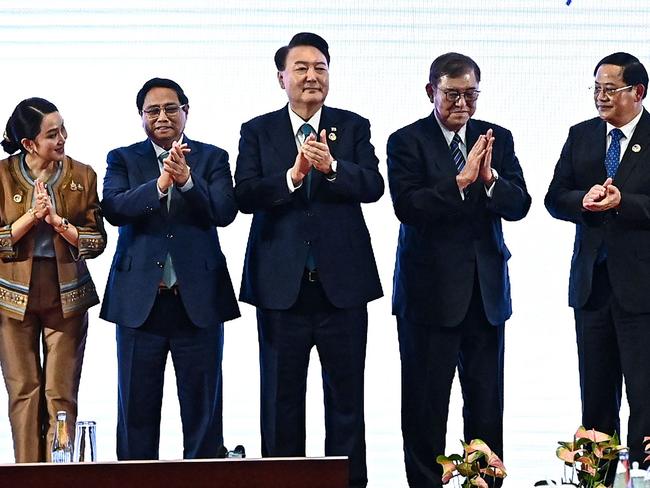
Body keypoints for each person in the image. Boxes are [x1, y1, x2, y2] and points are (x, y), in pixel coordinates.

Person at [234, 32, 383, 488]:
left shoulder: (352, 126)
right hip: (282, 290)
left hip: (342, 290)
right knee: (281, 404)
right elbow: (244, 194)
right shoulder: (257, 130)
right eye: (301, 68)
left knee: (346, 405)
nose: (311, 76)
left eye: (320, 67)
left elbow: (373, 186)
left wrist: (332, 168)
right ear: (281, 77)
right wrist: (294, 176)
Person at [386, 52, 531, 488]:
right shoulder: (406, 140)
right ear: (431, 92)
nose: (462, 104)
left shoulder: (497, 139)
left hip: (484, 296)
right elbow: (407, 207)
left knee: (486, 407)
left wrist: (489, 181)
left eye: (470, 94)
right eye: (452, 94)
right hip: (427, 297)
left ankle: (484, 482)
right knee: (424, 407)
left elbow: (520, 204)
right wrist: (461, 182)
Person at [100, 78, 240, 460]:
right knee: (136, 414)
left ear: (186, 112)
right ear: (141, 117)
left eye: (171, 108)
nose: (162, 117)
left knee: (203, 414)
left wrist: (188, 182)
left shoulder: (212, 157)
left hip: (198, 302)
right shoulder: (122, 159)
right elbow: (114, 208)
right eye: (153, 110)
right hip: (139, 304)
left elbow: (225, 211)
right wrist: (161, 184)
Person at [545, 52, 650, 466]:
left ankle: (645, 474)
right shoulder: (582, 135)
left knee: (645, 397)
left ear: (637, 92)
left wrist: (625, 203)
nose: (600, 97)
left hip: (643, 291)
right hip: (592, 287)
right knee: (596, 398)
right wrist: (583, 202)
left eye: (610, 89)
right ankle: (597, 478)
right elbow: (556, 197)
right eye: (596, 88)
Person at [0, 97, 106, 462]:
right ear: (29, 144)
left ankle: (59, 474)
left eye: (63, 129)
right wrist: (30, 218)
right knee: (24, 391)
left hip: (67, 296)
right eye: (52, 134)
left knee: (60, 393)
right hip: (13, 297)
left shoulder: (83, 175)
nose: (62, 138)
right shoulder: (1, 175)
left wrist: (61, 225)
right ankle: (27, 472)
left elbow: (97, 241)